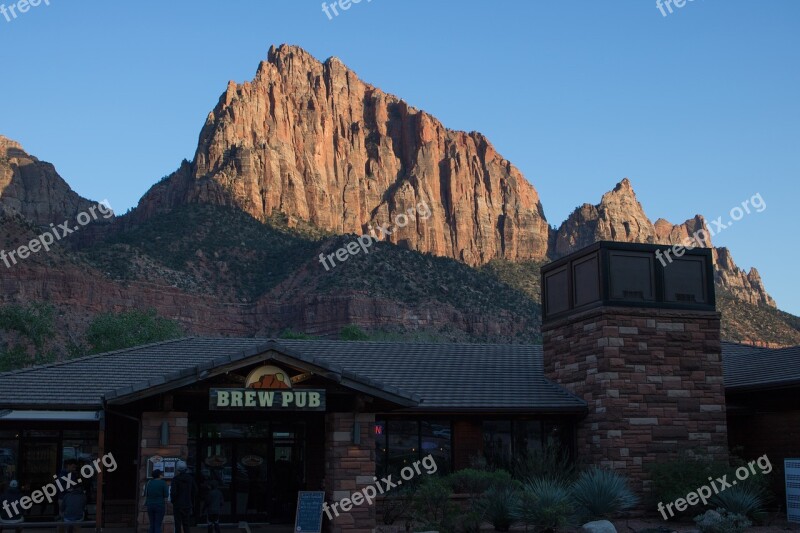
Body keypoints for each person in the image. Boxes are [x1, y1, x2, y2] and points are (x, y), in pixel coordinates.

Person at [170, 461, 197, 533]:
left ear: (177, 469)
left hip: (177, 505)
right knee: (186, 524)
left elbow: (173, 493)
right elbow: (195, 490)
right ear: (185, 469)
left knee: (177, 524)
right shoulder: (190, 478)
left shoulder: (175, 479)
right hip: (187, 504)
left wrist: (173, 501)